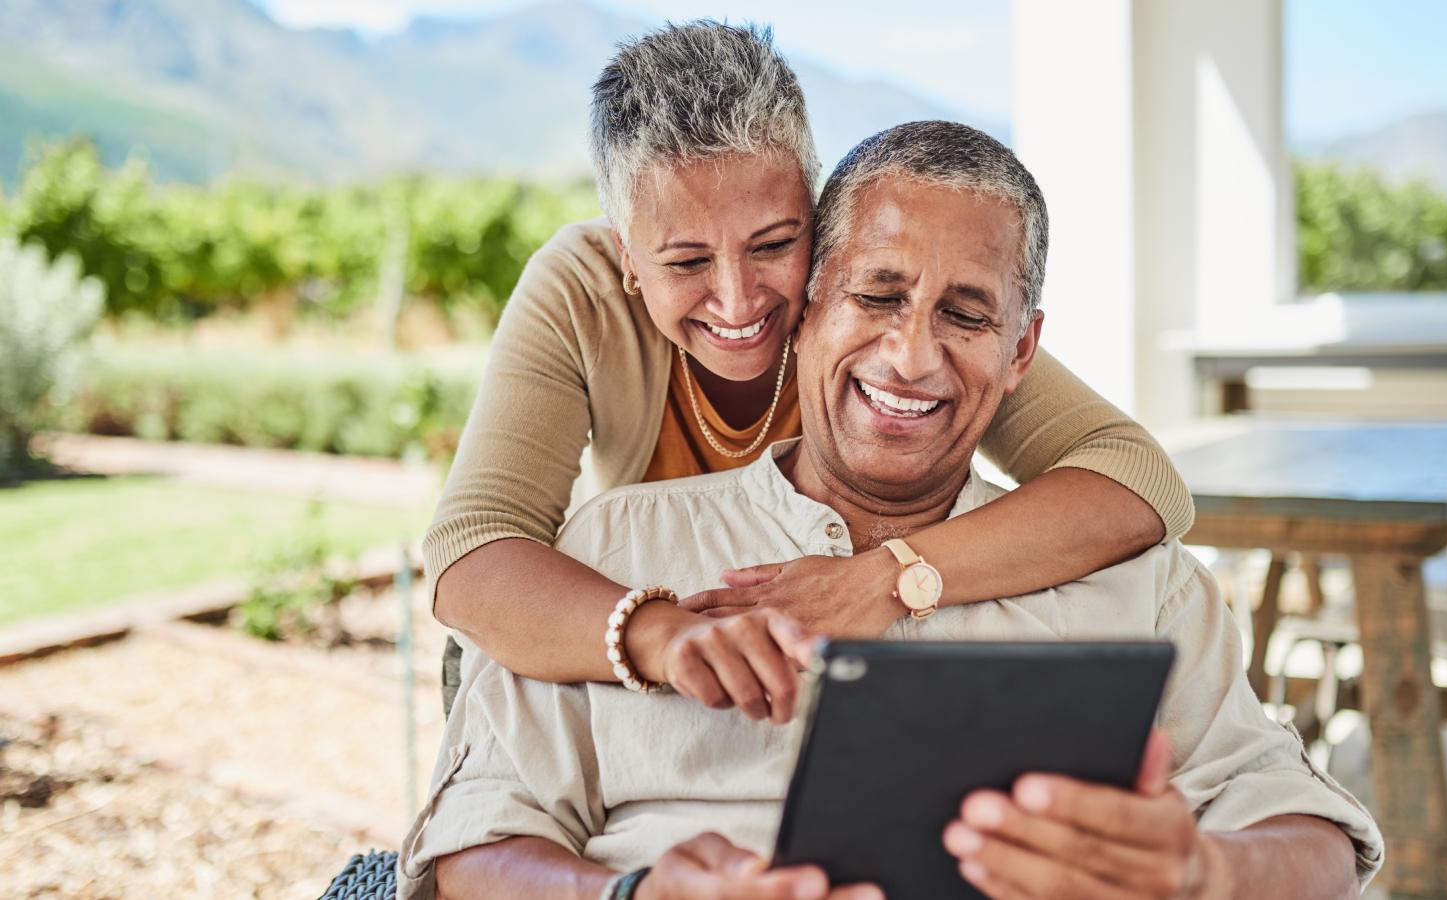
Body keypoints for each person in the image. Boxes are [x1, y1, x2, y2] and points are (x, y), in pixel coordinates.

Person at [399, 121, 1383, 900]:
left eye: (965, 315)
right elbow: (468, 850)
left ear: (1020, 354)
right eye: (876, 295)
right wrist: (629, 894)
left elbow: (1316, 839)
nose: (912, 357)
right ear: (805, 310)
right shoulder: (613, 549)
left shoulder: (1145, 584)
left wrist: (1209, 877)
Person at [426, 21, 1195, 715]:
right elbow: (472, 548)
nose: (738, 299)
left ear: (820, 217)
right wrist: (662, 636)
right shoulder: (580, 290)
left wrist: (892, 576)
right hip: (651, 665)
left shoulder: (875, 294)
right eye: (686, 259)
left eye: (773, 244)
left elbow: (1137, 478)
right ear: (628, 256)